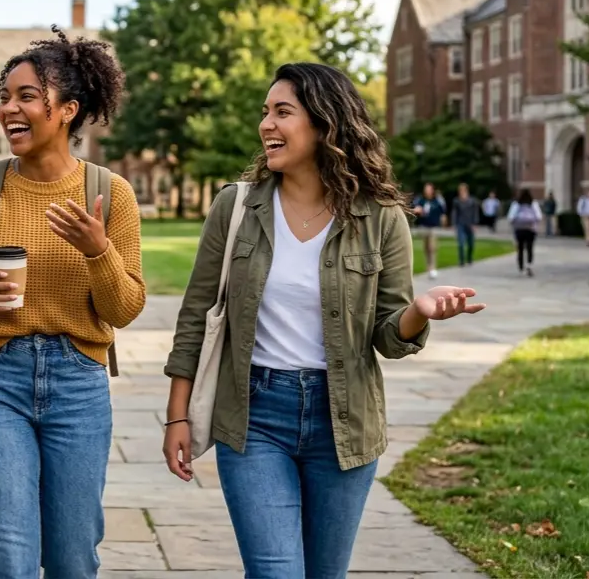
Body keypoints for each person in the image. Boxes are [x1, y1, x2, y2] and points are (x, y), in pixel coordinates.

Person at [162, 62, 487, 578]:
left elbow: (389, 337)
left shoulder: (380, 216)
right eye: (265, 112)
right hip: (254, 416)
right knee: (275, 571)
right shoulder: (236, 207)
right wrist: (177, 417)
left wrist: (417, 313)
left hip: (344, 421)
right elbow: (196, 319)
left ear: (323, 123)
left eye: (282, 112)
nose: (266, 124)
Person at [0, 26, 145, 577]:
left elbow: (124, 309)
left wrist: (98, 252)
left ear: (68, 110)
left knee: (73, 556)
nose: (8, 109)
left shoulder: (109, 194)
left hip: (79, 384)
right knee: (8, 556)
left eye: (27, 96)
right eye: (4, 97)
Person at [412, 182, 446, 279]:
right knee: (426, 248)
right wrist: (417, 210)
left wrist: (443, 219)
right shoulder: (421, 200)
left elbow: (442, 211)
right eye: (426, 189)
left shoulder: (437, 200)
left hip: (433, 227)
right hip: (424, 226)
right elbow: (415, 208)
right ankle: (428, 266)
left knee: (432, 247)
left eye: (428, 189)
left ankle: (433, 267)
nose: (427, 191)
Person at [508, 188, 543, 277]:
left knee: (520, 247)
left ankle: (521, 266)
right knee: (530, 247)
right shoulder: (533, 203)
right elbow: (539, 216)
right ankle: (529, 264)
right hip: (530, 229)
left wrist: (513, 224)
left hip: (519, 229)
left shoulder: (516, 204)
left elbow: (511, 216)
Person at [451, 183, 480, 267]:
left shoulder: (472, 201)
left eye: (463, 191)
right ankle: (461, 260)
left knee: (471, 243)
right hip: (461, 224)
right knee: (461, 243)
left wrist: (475, 223)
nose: (462, 192)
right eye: (460, 191)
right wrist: (454, 223)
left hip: (470, 224)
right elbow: (454, 213)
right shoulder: (456, 201)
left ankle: (469, 257)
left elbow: (475, 212)